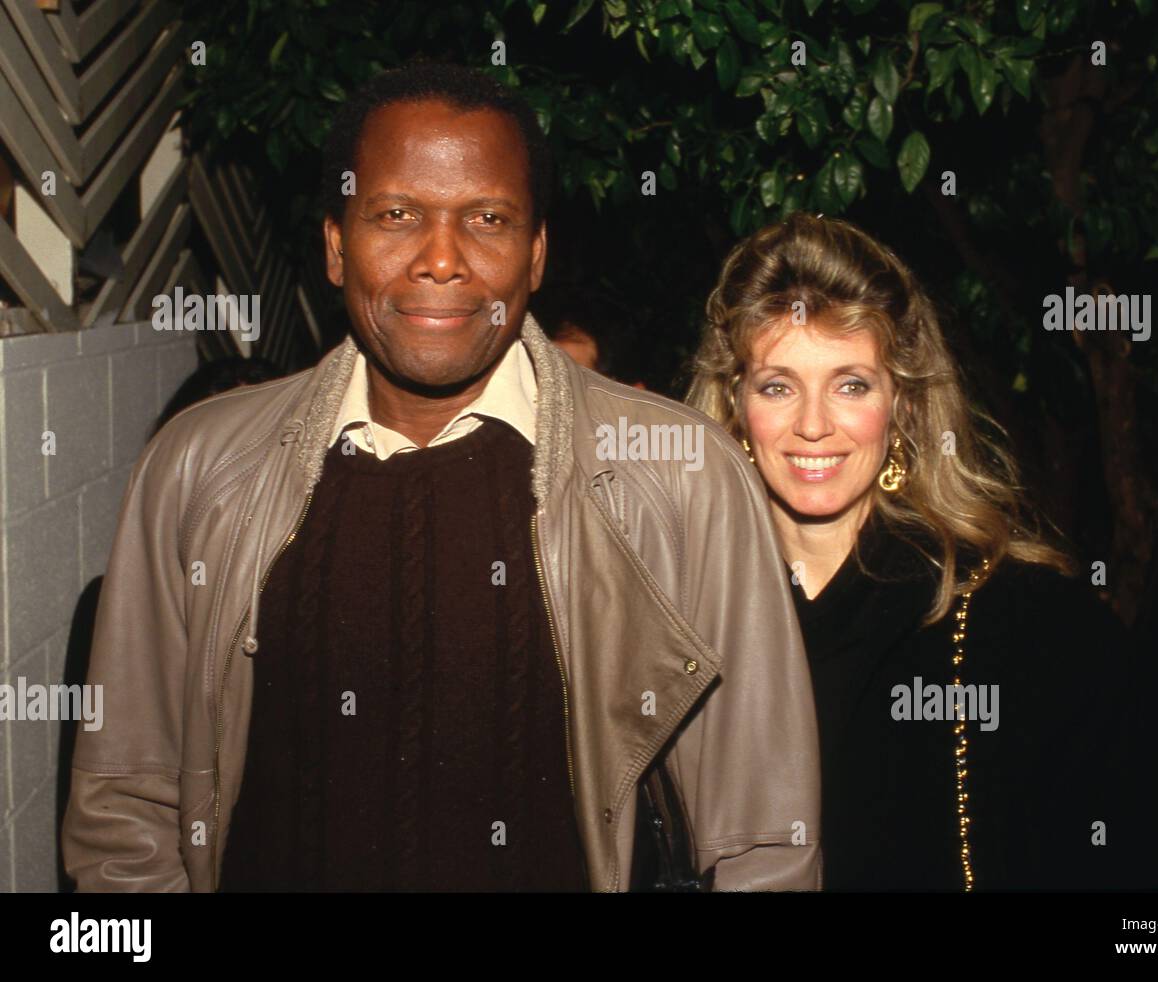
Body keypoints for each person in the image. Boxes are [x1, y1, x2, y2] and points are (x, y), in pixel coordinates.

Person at [61, 62, 822, 892]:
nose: (441, 259)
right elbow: (124, 810)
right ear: (334, 246)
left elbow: (764, 843)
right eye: (395, 215)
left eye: (487, 218)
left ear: (536, 255)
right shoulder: (197, 464)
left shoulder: (679, 476)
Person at [687, 212, 1144, 890]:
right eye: (778, 386)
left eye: (851, 384)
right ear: (735, 407)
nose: (813, 425)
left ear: (900, 402)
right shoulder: (678, 623)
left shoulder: (1033, 625)